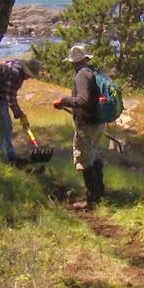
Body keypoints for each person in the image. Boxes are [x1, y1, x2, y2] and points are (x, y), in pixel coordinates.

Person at [53, 45, 105, 208]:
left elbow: (82, 100)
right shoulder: (93, 71)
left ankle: (93, 199)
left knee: (84, 159)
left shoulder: (82, 75)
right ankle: (100, 192)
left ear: (73, 62)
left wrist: (64, 101)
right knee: (94, 156)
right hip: (98, 122)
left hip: (87, 124)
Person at [0, 58, 40, 163]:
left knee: (7, 125)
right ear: (26, 70)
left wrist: (20, 115)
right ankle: (3, 157)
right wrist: (19, 114)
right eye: (29, 75)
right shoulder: (15, 73)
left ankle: (10, 154)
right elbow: (10, 97)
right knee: (1, 127)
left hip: (1, 97)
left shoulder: (18, 70)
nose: (29, 78)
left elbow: (8, 95)